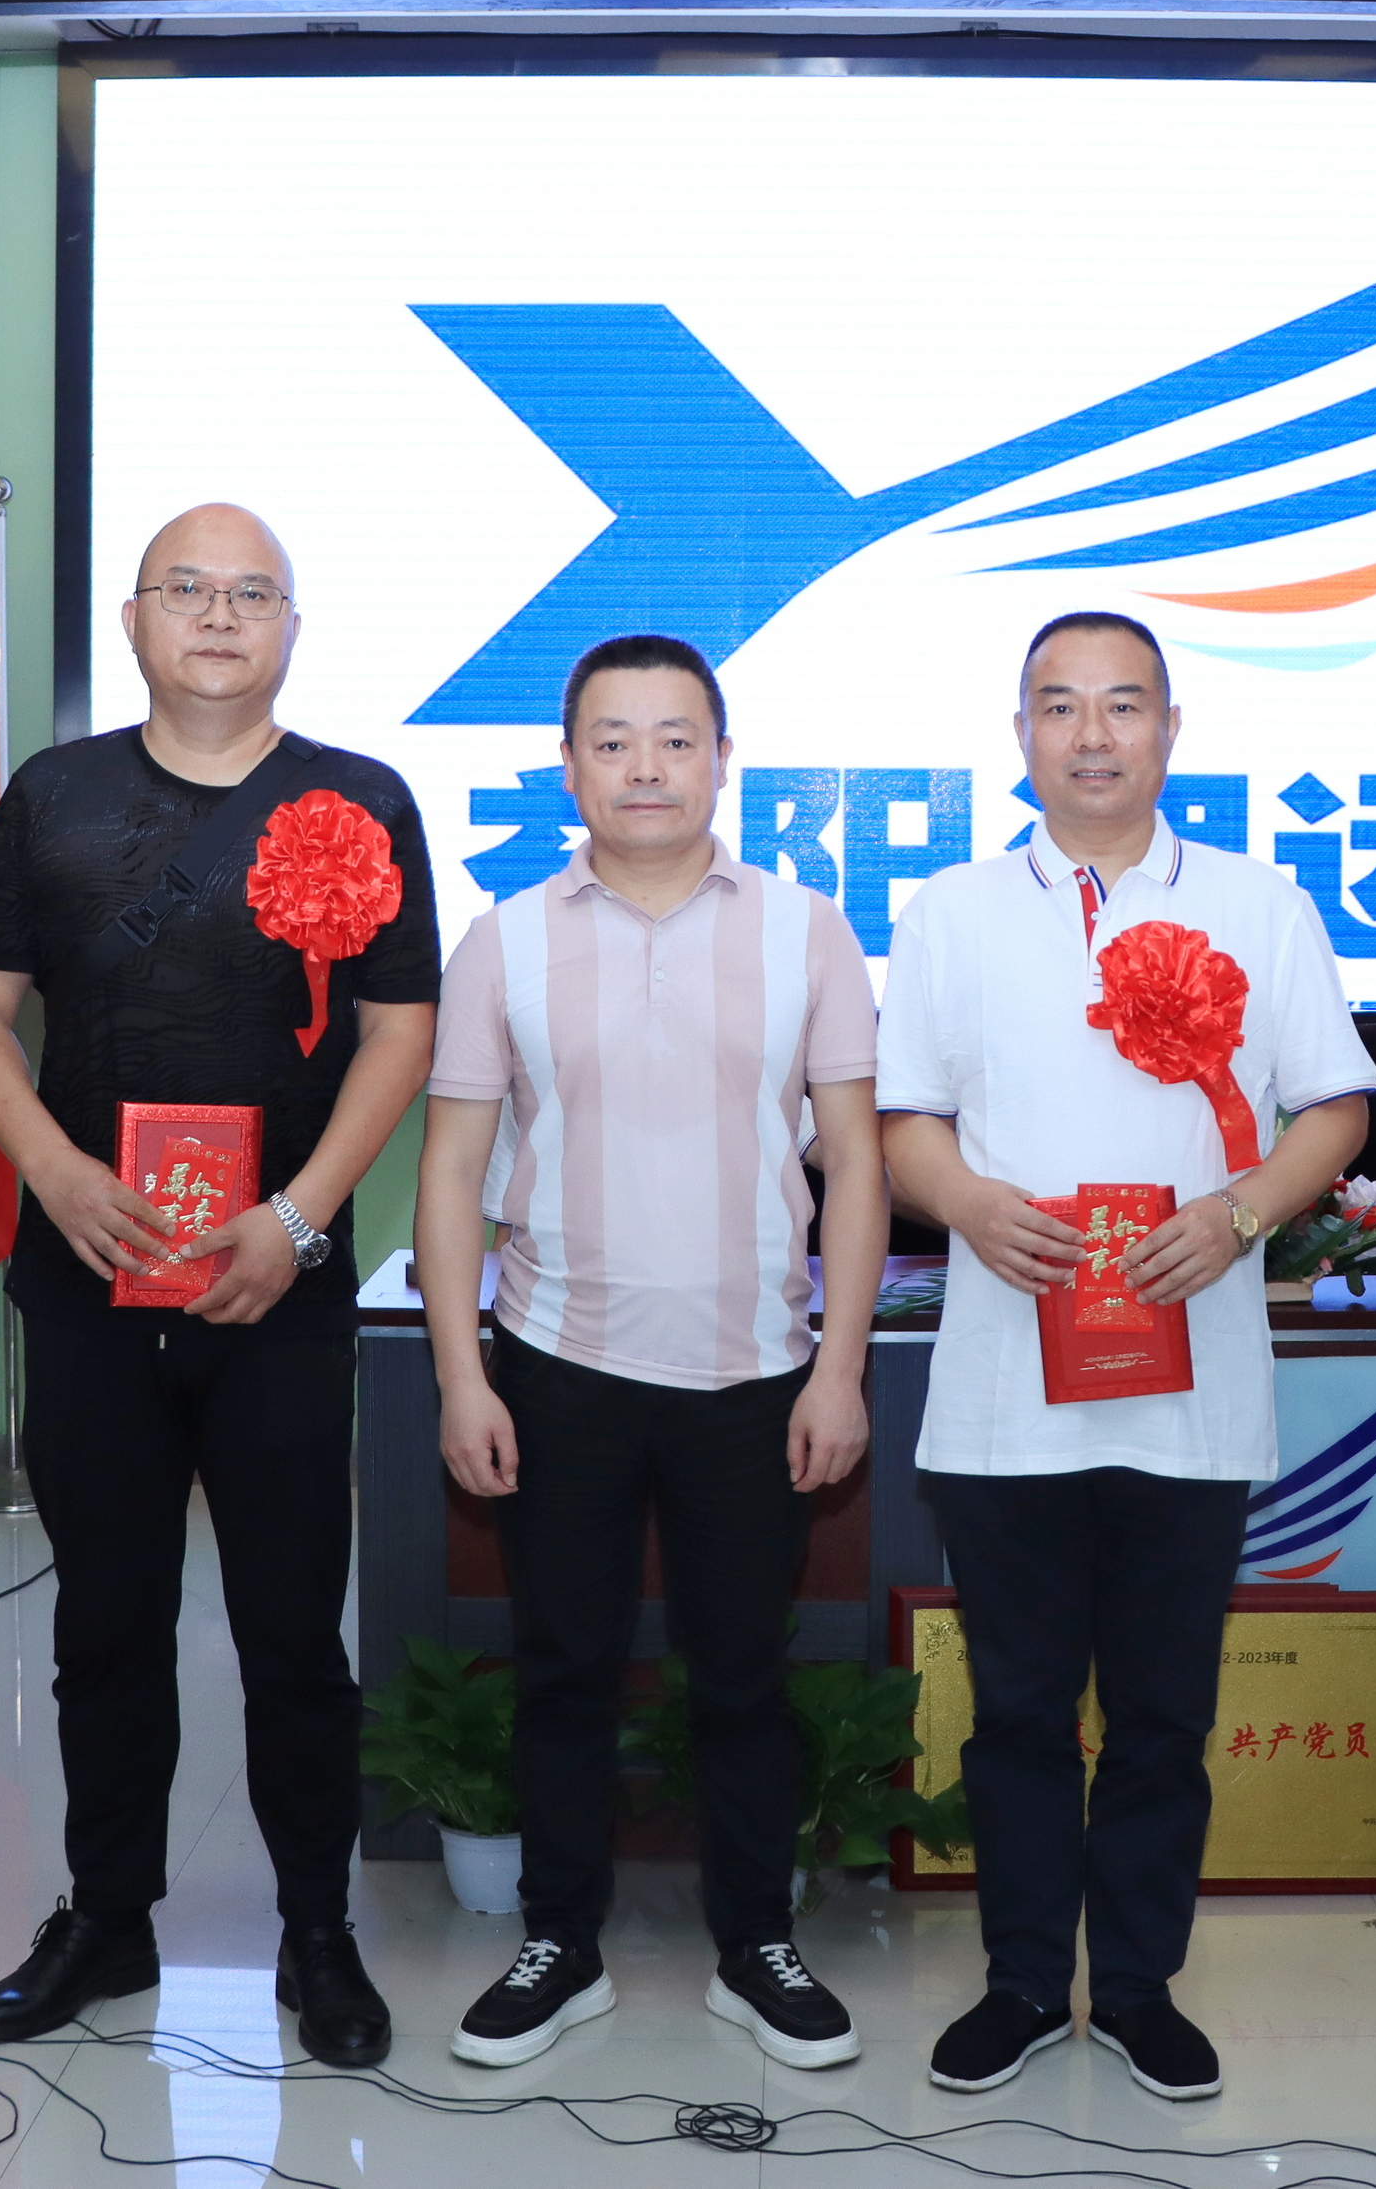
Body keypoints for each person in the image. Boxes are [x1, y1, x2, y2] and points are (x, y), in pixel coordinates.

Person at [0, 503, 439, 2064]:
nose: (219, 616)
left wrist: (297, 1218)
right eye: (187, 589)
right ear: (135, 622)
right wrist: (55, 1171)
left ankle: (316, 1932)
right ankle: (107, 1918)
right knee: (106, 1620)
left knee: (292, 1629)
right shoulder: (56, 795)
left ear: (291, 629)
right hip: (93, 1277)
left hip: (277, 1283)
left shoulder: (360, 799)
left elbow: (401, 1032)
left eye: (252, 594)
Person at [876, 612, 1376, 2104]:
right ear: (1020, 735)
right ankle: (1028, 1983)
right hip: (1006, 1393)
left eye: (1123, 706)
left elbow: (1335, 1109)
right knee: (1020, 1712)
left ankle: (1144, 1990)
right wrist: (969, 1204)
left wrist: (1240, 1217)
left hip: (1192, 1387)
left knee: (1163, 1716)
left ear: (1171, 730)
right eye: (1060, 706)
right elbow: (904, 1123)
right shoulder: (953, 912)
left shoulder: (1260, 904)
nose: (1092, 735)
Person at [413, 634, 887, 2070]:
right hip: (559, 1361)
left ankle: (757, 1947)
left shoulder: (809, 929)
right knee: (562, 1670)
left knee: (742, 1674)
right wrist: (460, 1375)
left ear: (723, 761)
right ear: (567, 768)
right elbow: (451, 1169)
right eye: (611, 741)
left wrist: (841, 1367)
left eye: (676, 739)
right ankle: (561, 1946)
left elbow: (856, 1163)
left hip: (756, 1371)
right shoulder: (504, 939)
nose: (645, 767)